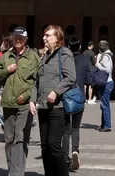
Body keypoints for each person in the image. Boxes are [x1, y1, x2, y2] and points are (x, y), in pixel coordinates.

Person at [0, 26, 40, 176]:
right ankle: (12, 169)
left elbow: (37, 80)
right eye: (15, 38)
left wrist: (28, 96)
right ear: (12, 39)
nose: (18, 40)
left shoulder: (33, 56)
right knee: (9, 139)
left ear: (26, 39)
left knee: (20, 138)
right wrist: (7, 70)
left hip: (25, 104)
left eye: (21, 38)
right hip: (8, 103)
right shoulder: (6, 56)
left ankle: (16, 173)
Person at [37, 25, 75, 176]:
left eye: (48, 35)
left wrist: (56, 91)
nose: (44, 38)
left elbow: (71, 77)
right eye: (44, 35)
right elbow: (37, 80)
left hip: (57, 107)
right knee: (45, 147)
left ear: (58, 38)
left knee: (54, 145)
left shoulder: (64, 53)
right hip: (43, 107)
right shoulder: (44, 56)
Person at [68, 37, 88, 171]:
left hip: (65, 95)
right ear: (80, 47)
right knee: (75, 127)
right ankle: (75, 150)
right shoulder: (85, 59)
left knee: (64, 128)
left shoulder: (65, 59)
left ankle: (64, 155)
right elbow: (89, 78)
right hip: (79, 95)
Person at [94, 40, 114, 131]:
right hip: (105, 82)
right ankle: (103, 124)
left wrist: (98, 65)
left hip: (107, 82)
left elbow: (108, 69)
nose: (100, 47)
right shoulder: (104, 56)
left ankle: (107, 125)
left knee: (105, 104)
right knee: (103, 104)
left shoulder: (106, 57)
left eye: (101, 45)